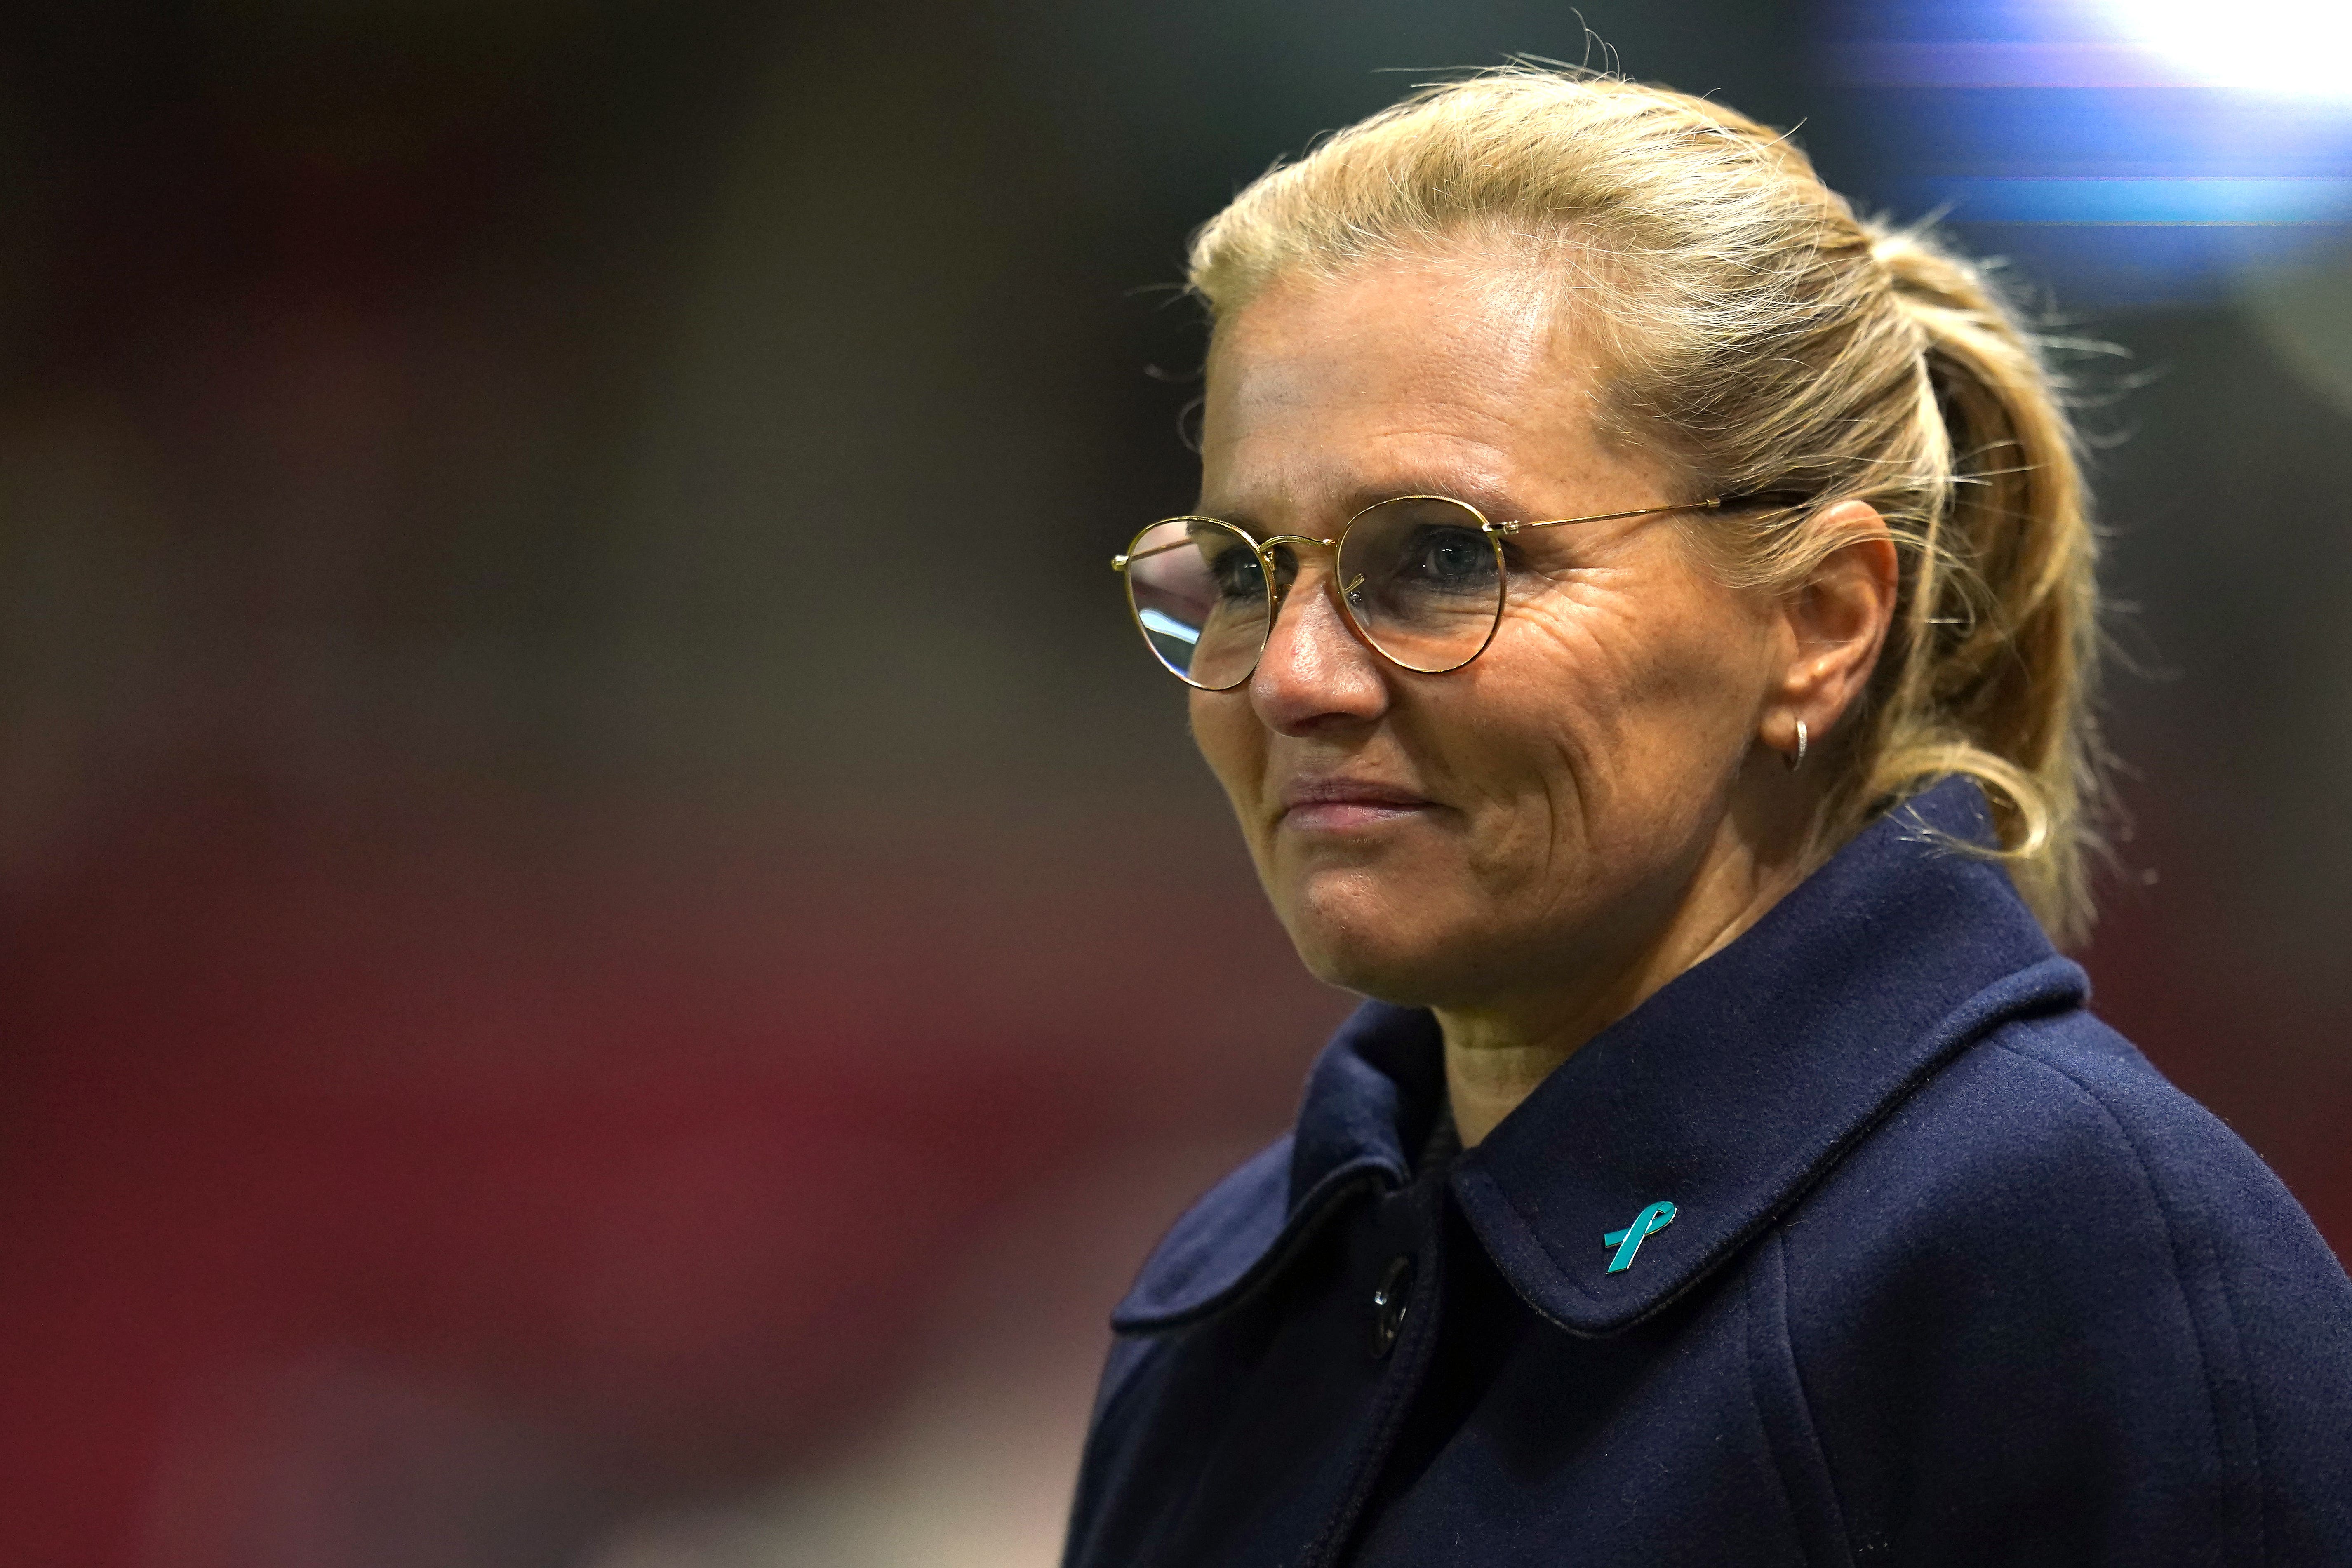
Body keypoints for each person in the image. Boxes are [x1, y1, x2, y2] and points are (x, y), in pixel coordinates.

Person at [1065, 68, 2352, 1568]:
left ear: (1818, 621)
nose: (1291, 675)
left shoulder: (2072, 1267)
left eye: (1435, 557)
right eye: (1241, 571)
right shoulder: (1233, 1294)